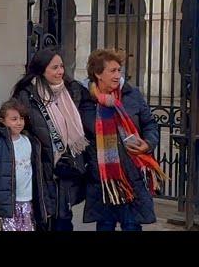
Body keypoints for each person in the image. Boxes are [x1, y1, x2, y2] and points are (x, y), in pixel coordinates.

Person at [79, 48, 166, 231]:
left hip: (133, 177)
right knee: (105, 226)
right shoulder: (86, 101)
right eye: (112, 71)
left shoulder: (132, 94)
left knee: (132, 226)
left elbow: (150, 124)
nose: (118, 75)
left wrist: (148, 143)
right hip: (104, 181)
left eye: (119, 70)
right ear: (98, 74)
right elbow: (84, 136)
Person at [12, 47, 89, 231]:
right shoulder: (26, 95)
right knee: (45, 220)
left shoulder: (72, 90)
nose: (60, 71)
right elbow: (19, 130)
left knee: (63, 219)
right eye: (54, 67)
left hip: (68, 168)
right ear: (42, 69)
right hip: (42, 169)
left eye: (61, 66)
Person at [0, 99, 54, 231]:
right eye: (14, 119)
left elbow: (39, 176)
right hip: (9, 202)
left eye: (21, 118)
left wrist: (46, 203)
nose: (19, 123)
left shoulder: (30, 141)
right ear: (3, 121)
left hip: (28, 200)